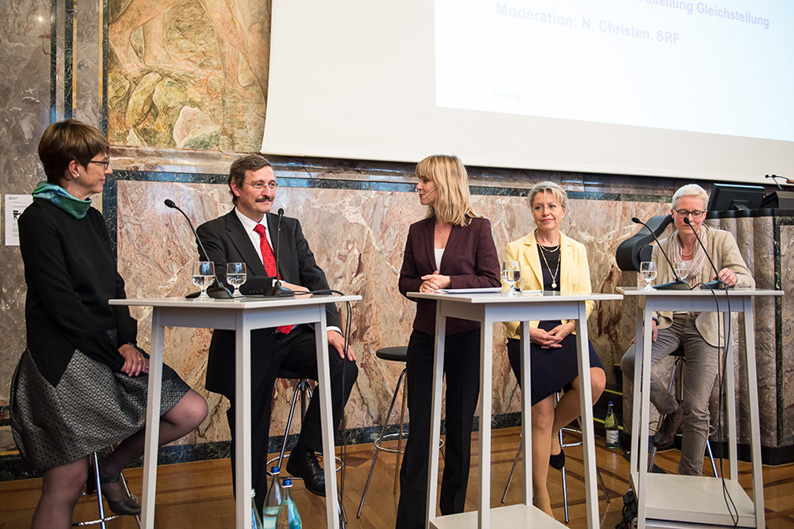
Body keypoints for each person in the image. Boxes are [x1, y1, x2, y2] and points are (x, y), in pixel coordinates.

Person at [10, 119, 208, 529]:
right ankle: (94, 473)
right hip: (63, 359)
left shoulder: (91, 217)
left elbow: (113, 286)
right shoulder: (37, 218)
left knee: (190, 410)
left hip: (108, 349)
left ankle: (111, 468)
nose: (108, 170)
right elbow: (61, 305)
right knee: (67, 480)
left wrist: (127, 342)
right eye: (101, 162)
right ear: (73, 167)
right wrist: (114, 356)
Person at [196, 154, 358, 511]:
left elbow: (316, 280)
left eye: (271, 184)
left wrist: (331, 327)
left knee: (342, 362)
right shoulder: (212, 231)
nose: (267, 192)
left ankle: (304, 452)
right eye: (258, 184)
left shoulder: (289, 228)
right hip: (248, 341)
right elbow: (222, 281)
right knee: (251, 426)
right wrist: (277, 285)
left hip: (292, 336)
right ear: (236, 188)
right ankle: (250, 509)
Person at [395, 154, 500, 529]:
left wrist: (448, 281)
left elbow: (492, 280)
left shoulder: (478, 227)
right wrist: (421, 285)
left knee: (458, 429)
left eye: (424, 180)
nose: (418, 187)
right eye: (418, 181)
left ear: (445, 183)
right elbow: (404, 281)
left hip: (466, 339)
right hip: (425, 337)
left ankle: (452, 518)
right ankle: (410, 521)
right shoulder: (416, 230)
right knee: (421, 428)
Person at [620, 183, 754, 476]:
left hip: (705, 324)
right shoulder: (658, 248)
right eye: (683, 213)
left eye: (695, 213)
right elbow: (650, 290)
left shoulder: (721, 240)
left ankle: (689, 477)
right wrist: (651, 320)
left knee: (696, 405)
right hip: (670, 321)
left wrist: (734, 277)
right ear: (672, 213)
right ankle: (670, 408)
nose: (689, 219)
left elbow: (748, 279)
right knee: (631, 360)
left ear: (704, 214)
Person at [502, 181, 606, 517]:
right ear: (532, 212)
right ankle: (540, 498)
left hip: (567, 328)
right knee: (541, 414)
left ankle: (554, 432)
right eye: (539, 207)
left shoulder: (577, 249)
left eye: (552, 206)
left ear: (563, 211)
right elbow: (508, 299)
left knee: (595, 381)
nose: (546, 212)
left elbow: (587, 299)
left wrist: (571, 325)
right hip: (529, 333)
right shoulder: (516, 248)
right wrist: (528, 332)